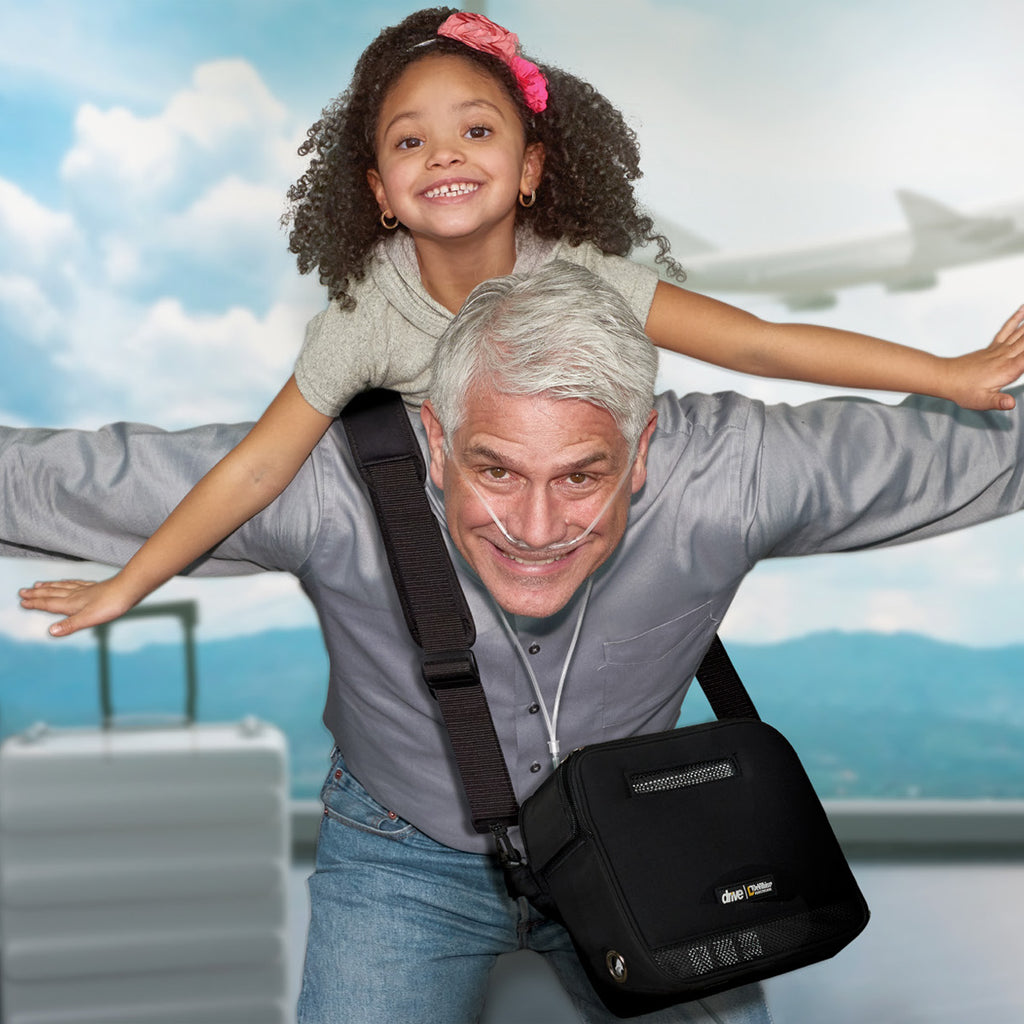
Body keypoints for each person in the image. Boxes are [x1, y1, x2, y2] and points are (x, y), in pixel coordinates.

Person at [9, 261, 1024, 1024]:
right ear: (438, 444)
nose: (535, 530)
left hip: (645, 844)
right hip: (398, 853)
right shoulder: (324, 478)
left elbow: (948, 456)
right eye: (494, 471)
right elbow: (80, 479)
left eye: (582, 476)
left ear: (642, 455)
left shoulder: (732, 469)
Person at [20, 6, 1024, 641]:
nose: (443, 154)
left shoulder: (581, 275)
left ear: (530, 167)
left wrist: (950, 374)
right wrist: (131, 585)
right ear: (377, 190)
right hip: (450, 513)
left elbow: (754, 340)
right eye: (410, 141)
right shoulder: (367, 315)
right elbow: (251, 468)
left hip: (582, 500)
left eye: (476, 129)